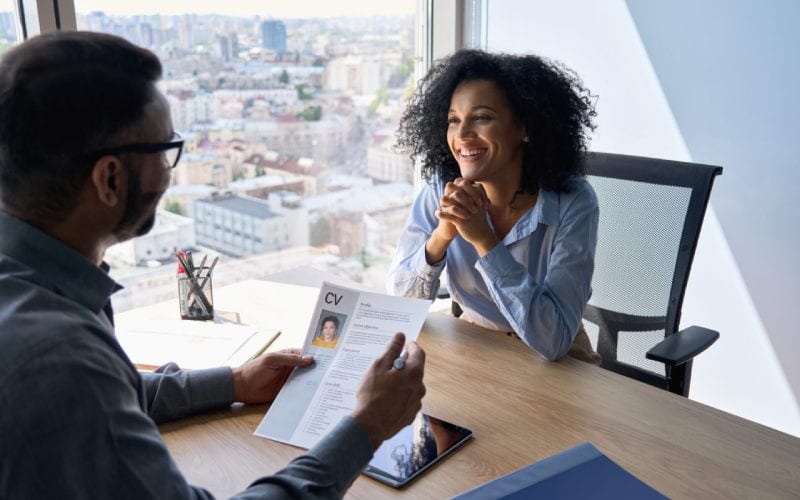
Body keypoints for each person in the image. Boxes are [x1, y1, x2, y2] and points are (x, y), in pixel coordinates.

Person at [0, 31, 426, 499]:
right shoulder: (58, 359)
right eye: (166, 151)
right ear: (110, 179)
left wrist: (235, 382)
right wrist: (367, 427)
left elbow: (104, 397)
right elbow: (82, 390)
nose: (169, 173)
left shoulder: (29, 289)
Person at [387, 49, 599, 362]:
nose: (462, 135)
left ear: (524, 127)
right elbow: (401, 303)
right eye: (453, 120)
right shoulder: (441, 186)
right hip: (475, 342)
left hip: (557, 359)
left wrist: (484, 240)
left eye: (482, 118)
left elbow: (553, 340)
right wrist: (442, 236)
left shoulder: (573, 201)